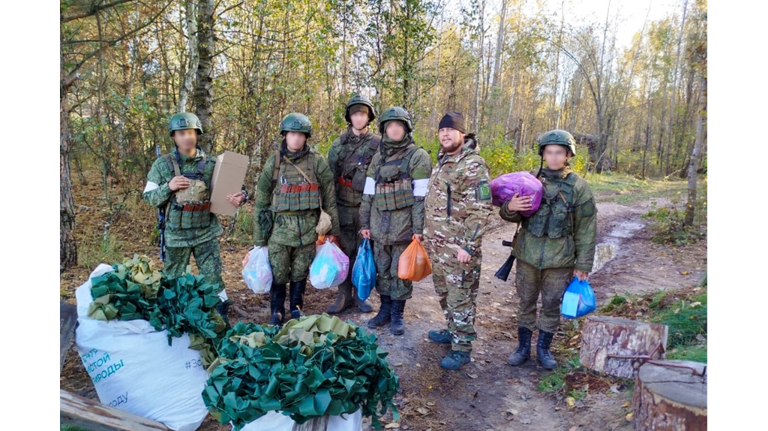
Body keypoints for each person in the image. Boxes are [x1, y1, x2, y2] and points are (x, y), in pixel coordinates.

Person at [500, 129, 597, 369]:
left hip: (560, 260)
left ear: (567, 155)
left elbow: (587, 228)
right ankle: (522, 347)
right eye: (550, 152)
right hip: (527, 255)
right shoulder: (528, 181)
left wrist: (583, 265)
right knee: (526, 302)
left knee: (552, 304)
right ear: (543, 154)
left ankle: (543, 349)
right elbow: (509, 216)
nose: (554, 157)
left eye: (559, 153)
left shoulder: (579, 187)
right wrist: (510, 206)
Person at [143, 112, 247, 325]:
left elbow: (239, 189)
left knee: (213, 278)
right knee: (173, 281)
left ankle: (220, 319)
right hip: (175, 235)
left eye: (191, 132)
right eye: (182, 133)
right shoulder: (162, 166)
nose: (187, 137)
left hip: (205, 233)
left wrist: (241, 196)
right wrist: (168, 187)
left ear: (197, 134)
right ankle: (174, 320)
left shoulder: (212, 164)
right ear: (174, 136)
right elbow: (149, 198)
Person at [252, 113, 340, 325]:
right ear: (285, 135)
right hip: (279, 232)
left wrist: (332, 234)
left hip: (308, 231)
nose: (296, 139)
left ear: (306, 137)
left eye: (301, 135)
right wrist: (259, 240)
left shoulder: (317, 162)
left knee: (300, 273)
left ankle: (296, 308)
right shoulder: (274, 163)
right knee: (279, 273)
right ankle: (277, 311)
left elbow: (330, 199)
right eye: (292, 134)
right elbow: (261, 202)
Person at [423, 112, 493, 370]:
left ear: (463, 134)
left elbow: (481, 208)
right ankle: (452, 330)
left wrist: (469, 246)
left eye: (451, 130)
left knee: (460, 297)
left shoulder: (473, 165)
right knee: (444, 293)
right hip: (438, 247)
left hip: (460, 249)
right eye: (442, 130)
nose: (445, 134)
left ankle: (462, 347)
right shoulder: (442, 161)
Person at [359, 107, 432, 336]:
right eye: (390, 126)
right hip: (379, 227)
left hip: (404, 229)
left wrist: (418, 229)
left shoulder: (418, 157)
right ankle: (385, 309)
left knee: (401, 273)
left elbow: (421, 198)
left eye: (398, 125)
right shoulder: (378, 159)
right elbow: (368, 195)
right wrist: (364, 224)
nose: (394, 130)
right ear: (384, 130)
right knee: (383, 271)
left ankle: (397, 314)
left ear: (406, 128)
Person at [326, 94, 381, 314]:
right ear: (350, 117)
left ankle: (360, 295)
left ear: (368, 118)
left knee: (364, 251)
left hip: (367, 207)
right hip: (342, 205)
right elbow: (329, 180)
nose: (359, 118)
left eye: (363, 114)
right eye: (355, 114)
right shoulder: (338, 145)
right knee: (344, 250)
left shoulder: (378, 145)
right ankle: (343, 294)